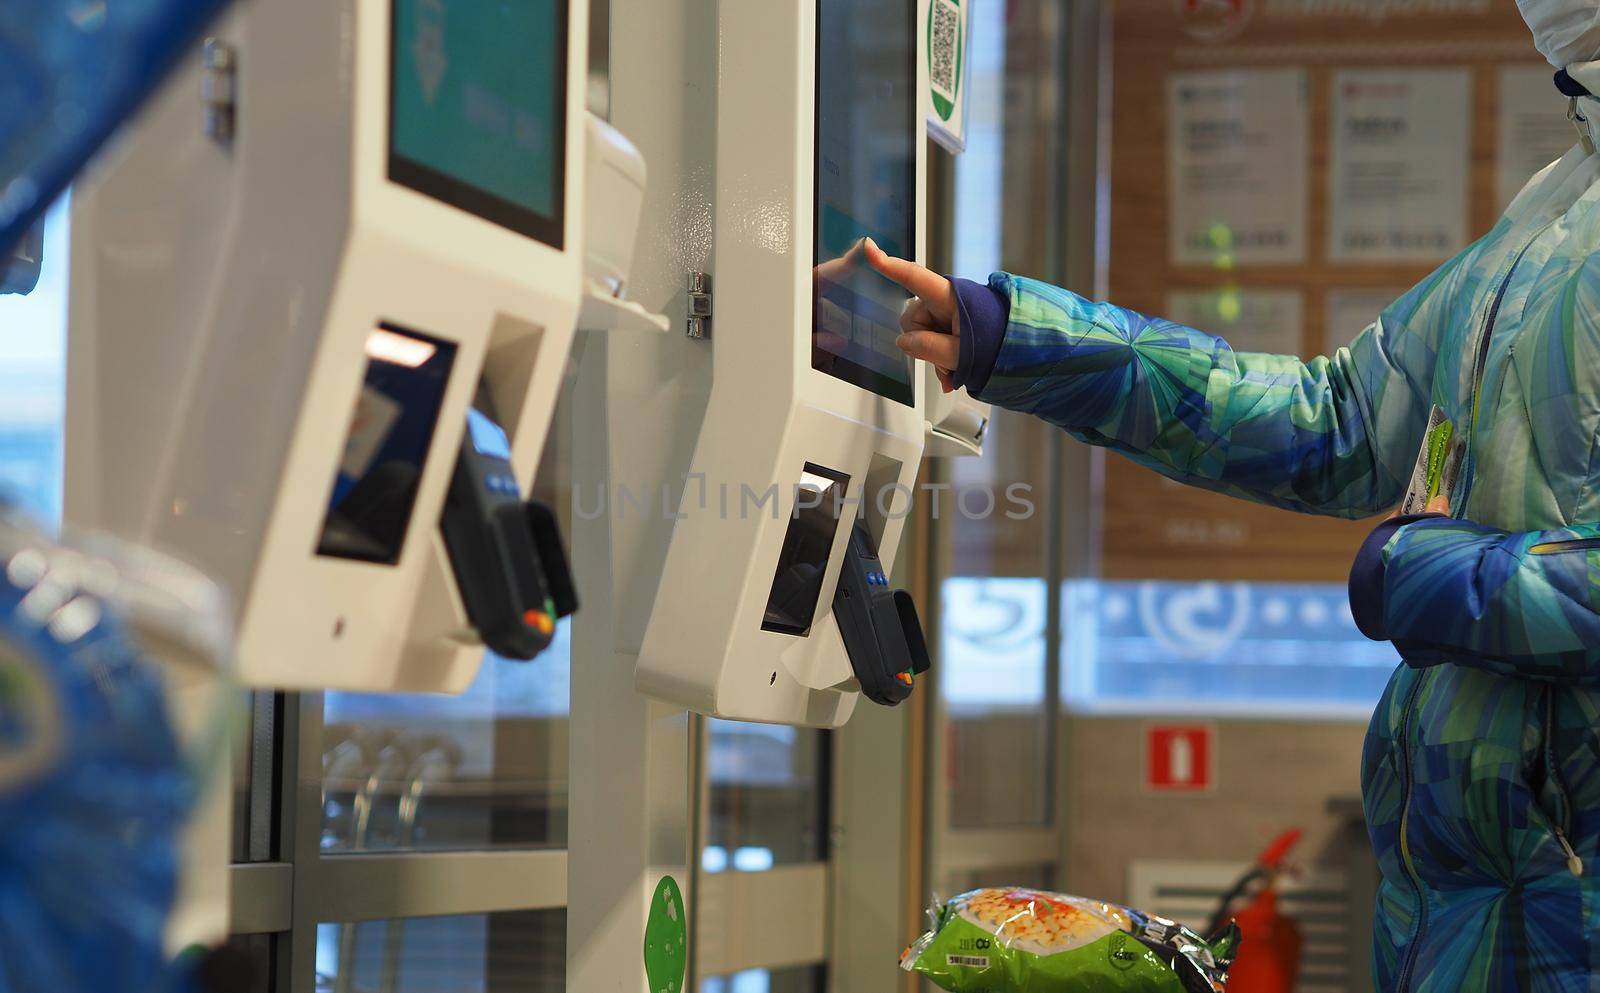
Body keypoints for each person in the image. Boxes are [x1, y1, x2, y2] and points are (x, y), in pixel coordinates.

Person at [866, 1, 1600, 988]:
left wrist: (1417, 572)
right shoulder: (1561, 202)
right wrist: (1027, 339)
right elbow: (1343, 417)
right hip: (1463, 901)